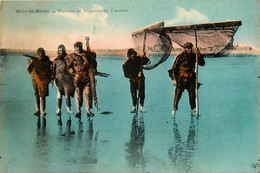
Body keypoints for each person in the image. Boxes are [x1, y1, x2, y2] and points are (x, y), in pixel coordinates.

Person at [169, 42, 205, 115]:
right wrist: (174, 79)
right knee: (177, 95)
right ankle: (174, 109)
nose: (188, 50)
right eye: (187, 48)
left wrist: (199, 54)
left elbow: (202, 63)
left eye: (190, 48)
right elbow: (174, 69)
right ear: (184, 49)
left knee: (192, 95)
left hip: (191, 78)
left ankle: (192, 110)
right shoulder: (180, 57)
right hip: (181, 79)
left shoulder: (194, 56)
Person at [66, 41, 97, 118]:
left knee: (87, 94)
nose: (78, 48)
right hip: (78, 78)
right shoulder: (72, 57)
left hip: (86, 78)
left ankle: (88, 110)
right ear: (75, 48)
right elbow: (69, 67)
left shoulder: (86, 55)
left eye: (80, 47)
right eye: (77, 47)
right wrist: (74, 73)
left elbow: (92, 64)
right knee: (78, 96)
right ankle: (78, 111)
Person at [123, 48, 149, 113]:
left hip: (141, 80)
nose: (132, 56)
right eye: (131, 55)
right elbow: (126, 74)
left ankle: (141, 107)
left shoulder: (139, 58)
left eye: (133, 54)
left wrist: (144, 55)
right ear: (129, 55)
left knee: (142, 94)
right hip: (133, 81)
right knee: (134, 94)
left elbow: (147, 62)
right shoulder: (126, 63)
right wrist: (134, 76)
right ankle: (134, 107)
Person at [27, 48, 52, 116]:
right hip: (36, 80)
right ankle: (38, 110)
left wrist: (49, 78)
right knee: (37, 95)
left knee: (43, 96)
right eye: (40, 53)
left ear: (44, 54)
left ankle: (42, 110)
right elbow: (29, 69)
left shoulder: (47, 61)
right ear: (38, 54)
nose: (41, 55)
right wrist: (33, 75)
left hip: (44, 80)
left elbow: (50, 69)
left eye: (42, 53)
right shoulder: (34, 61)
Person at [52, 45, 75, 115]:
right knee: (59, 94)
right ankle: (58, 109)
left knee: (67, 94)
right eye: (60, 50)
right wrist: (53, 79)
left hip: (67, 79)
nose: (61, 52)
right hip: (58, 80)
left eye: (62, 50)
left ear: (64, 50)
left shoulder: (68, 59)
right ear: (58, 51)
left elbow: (71, 67)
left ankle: (68, 109)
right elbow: (53, 71)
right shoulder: (56, 61)